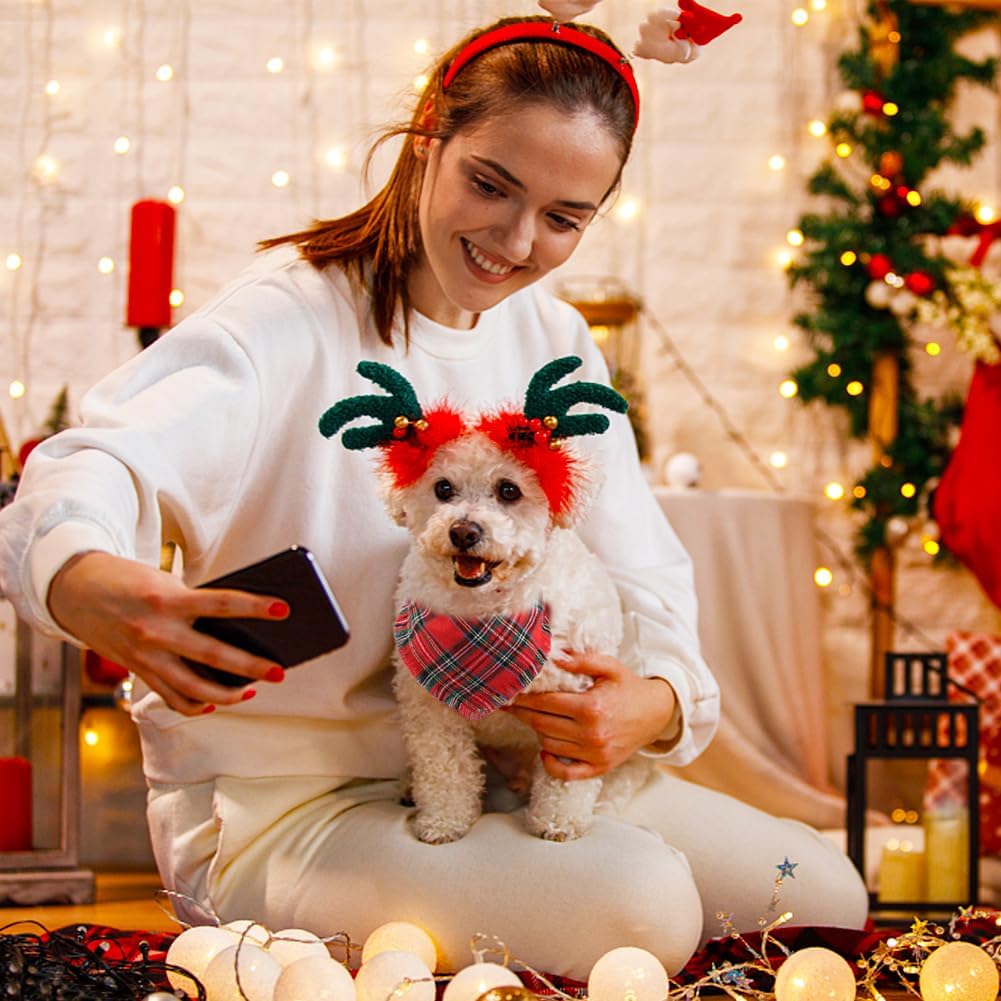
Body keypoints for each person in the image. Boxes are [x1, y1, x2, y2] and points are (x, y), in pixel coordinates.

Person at [0, 14, 867, 980]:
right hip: (289, 807)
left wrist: (656, 702)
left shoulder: (556, 343)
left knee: (825, 893)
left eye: (563, 218)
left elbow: (645, 568)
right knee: (646, 904)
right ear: (427, 141)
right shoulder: (286, 316)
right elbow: (96, 460)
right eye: (489, 184)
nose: (513, 240)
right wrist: (84, 579)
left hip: (510, 768)